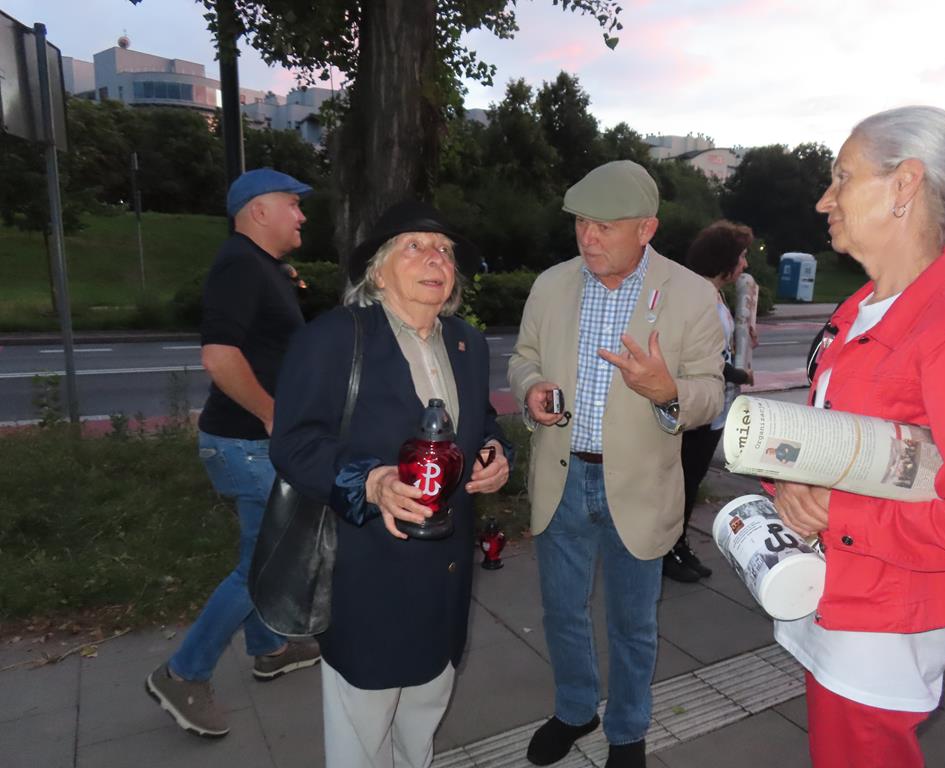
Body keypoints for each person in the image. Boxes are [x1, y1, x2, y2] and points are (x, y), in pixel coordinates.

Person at [773, 106, 945, 768]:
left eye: (842, 177)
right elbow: (845, 448)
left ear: (905, 184)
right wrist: (788, 481)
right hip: (836, 611)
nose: (825, 199)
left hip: (878, 641)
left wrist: (843, 517)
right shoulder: (861, 309)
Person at [269, 201, 512, 768]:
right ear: (377, 271)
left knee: (422, 719)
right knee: (362, 734)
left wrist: (497, 454)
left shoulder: (467, 343)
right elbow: (294, 443)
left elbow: (482, 422)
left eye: (445, 251)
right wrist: (371, 481)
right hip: (365, 578)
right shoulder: (335, 338)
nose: (436, 259)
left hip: (445, 578)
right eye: (415, 246)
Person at [508, 160, 724, 768]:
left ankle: (627, 732)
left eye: (605, 226)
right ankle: (576, 709)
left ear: (646, 228)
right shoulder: (551, 284)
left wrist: (667, 391)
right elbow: (522, 357)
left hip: (641, 483)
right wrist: (530, 387)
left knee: (633, 623)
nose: (588, 237)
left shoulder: (692, 294)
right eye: (581, 223)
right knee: (561, 611)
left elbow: (711, 391)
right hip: (561, 476)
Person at [146, 168, 322, 737]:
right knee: (263, 567)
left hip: (250, 443)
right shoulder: (240, 264)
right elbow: (219, 357)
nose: (302, 215)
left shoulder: (261, 266)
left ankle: (269, 648)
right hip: (248, 444)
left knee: (260, 550)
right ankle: (183, 673)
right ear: (259, 211)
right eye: (292, 204)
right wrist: (272, 415)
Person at [663, 220, 756, 583]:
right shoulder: (697, 296)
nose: (745, 264)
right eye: (742, 257)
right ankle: (668, 551)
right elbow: (700, 358)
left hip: (712, 410)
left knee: (689, 482)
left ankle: (677, 545)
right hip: (697, 411)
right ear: (724, 260)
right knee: (683, 484)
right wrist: (739, 375)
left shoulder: (711, 293)